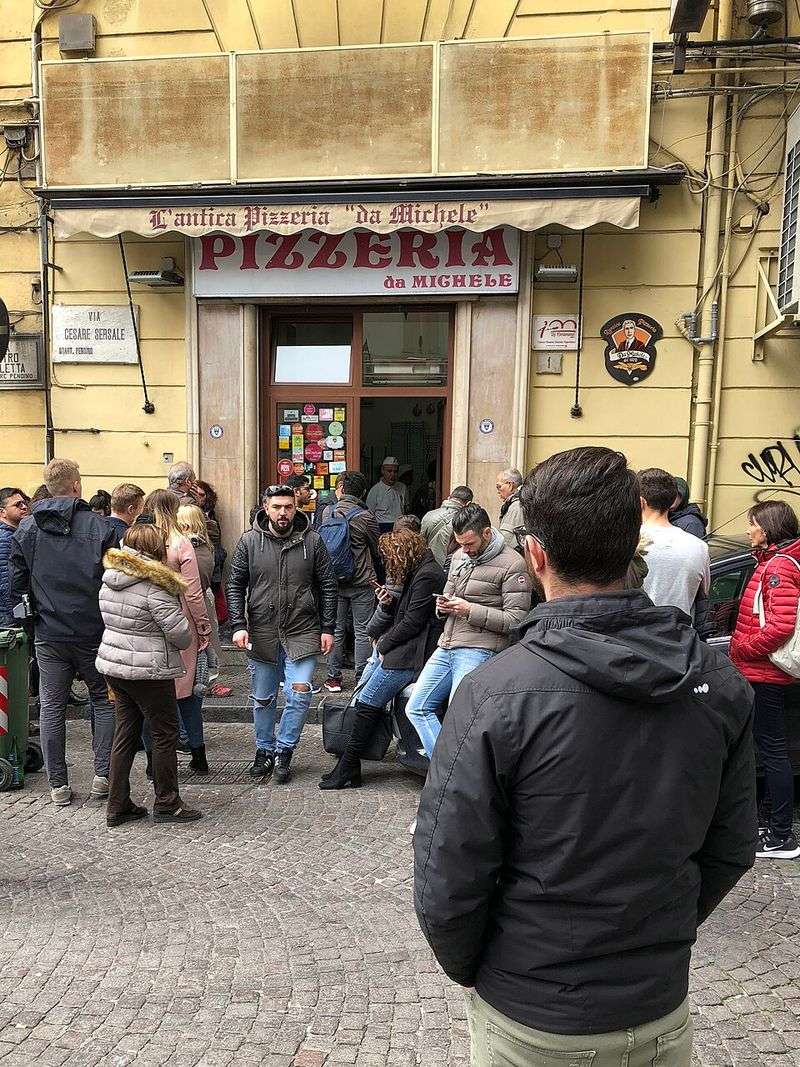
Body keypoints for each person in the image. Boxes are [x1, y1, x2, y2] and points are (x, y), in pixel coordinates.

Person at [414, 446, 757, 1066]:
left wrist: (482, 968)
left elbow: (450, 872)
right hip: (648, 1001)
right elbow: (731, 846)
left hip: (535, 1012)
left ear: (536, 554)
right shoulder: (718, 680)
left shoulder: (495, 692)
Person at [9, 459, 119, 806]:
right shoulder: (101, 527)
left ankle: (58, 784)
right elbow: (116, 580)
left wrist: (31, 624)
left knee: (52, 707)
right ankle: (103, 775)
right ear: (76, 486)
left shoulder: (26, 529)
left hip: (49, 631)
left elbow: (17, 586)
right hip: (93, 629)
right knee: (103, 701)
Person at [227, 484, 337, 784]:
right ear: (266, 508)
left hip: (302, 629)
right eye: (277, 507)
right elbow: (235, 584)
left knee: (299, 693)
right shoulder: (249, 542)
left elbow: (328, 585)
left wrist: (328, 628)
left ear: (295, 508)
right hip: (261, 630)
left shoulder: (312, 541)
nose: (283, 513)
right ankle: (263, 749)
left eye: (288, 507)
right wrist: (238, 624)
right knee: (262, 698)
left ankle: (284, 750)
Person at [320, 529, 445, 790]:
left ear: (403, 553)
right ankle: (349, 766)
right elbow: (407, 615)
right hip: (406, 651)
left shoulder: (428, 575)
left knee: (367, 702)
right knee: (367, 702)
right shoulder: (421, 571)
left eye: (392, 557)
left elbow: (413, 621)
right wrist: (388, 604)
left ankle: (349, 766)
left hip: (410, 655)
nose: (390, 564)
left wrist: (384, 645)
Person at [405, 503, 532, 758]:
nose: (464, 549)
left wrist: (468, 610)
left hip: (480, 648)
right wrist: (443, 605)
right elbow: (450, 594)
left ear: (486, 533)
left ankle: (453, 776)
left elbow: (517, 619)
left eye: (469, 544)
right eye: (460, 543)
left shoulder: (513, 564)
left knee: (460, 715)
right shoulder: (460, 557)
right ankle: (446, 769)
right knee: (416, 707)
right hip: (448, 643)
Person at [96, 523, 201, 826]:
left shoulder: (111, 578)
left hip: (115, 665)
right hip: (149, 669)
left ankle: (117, 805)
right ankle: (168, 802)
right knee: (164, 734)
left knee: (125, 733)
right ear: (156, 549)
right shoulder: (156, 585)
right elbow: (181, 635)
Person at [730, 500, 800, 860]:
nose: (747, 529)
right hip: (763, 672)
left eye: (752, 523)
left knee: (772, 751)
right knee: (770, 750)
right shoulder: (772, 563)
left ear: (768, 529)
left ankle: (781, 836)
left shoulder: (778, 568)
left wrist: (741, 648)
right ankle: (773, 825)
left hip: (765, 673)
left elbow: (780, 626)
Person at [144, 490, 212, 774]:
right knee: (188, 694)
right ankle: (198, 754)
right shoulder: (180, 542)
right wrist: (203, 625)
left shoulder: (135, 539)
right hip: (178, 621)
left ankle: (151, 761)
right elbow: (193, 592)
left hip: (145, 623)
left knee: (150, 698)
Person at [322, 470, 381, 693]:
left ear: (341, 490)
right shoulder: (366, 517)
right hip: (361, 581)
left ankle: (333, 678)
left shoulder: (328, 513)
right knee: (363, 630)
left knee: (335, 629)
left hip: (333, 581)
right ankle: (361, 677)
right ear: (363, 492)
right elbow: (377, 550)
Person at [640, 468, 710, 618]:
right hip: (680, 636)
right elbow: (703, 593)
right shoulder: (700, 547)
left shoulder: (624, 543)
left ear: (641, 502)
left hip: (631, 637)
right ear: (672, 500)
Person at [177, 502, 227, 698]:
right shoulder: (206, 546)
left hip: (192, 599)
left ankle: (199, 681)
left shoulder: (189, 548)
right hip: (202, 596)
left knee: (197, 645)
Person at [420, 485, 473, 568]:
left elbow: (422, 541)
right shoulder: (463, 521)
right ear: (468, 504)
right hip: (447, 567)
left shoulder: (428, 515)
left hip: (427, 565)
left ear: (449, 498)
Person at [0, 487, 30, 626]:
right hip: (9, 617)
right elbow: (6, 583)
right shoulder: (5, 540)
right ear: (2, 512)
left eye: (24, 503)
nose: (24, 507)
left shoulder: (15, 535)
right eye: (18, 505)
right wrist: (16, 618)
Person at [366, 456, 408, 533]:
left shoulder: (402, 487)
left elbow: (405, 508)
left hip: (399, 527)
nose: (392, 474)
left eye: (395, 472)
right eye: (389, 471)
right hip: (382, 527)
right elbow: (369, 514)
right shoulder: (375, 490)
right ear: (383, 471)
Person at [496, 468, 524, 549]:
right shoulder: (517, 503)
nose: (498, 491)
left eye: (498, 486)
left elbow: (506, 541)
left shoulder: (516, 506)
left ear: (510, 485)